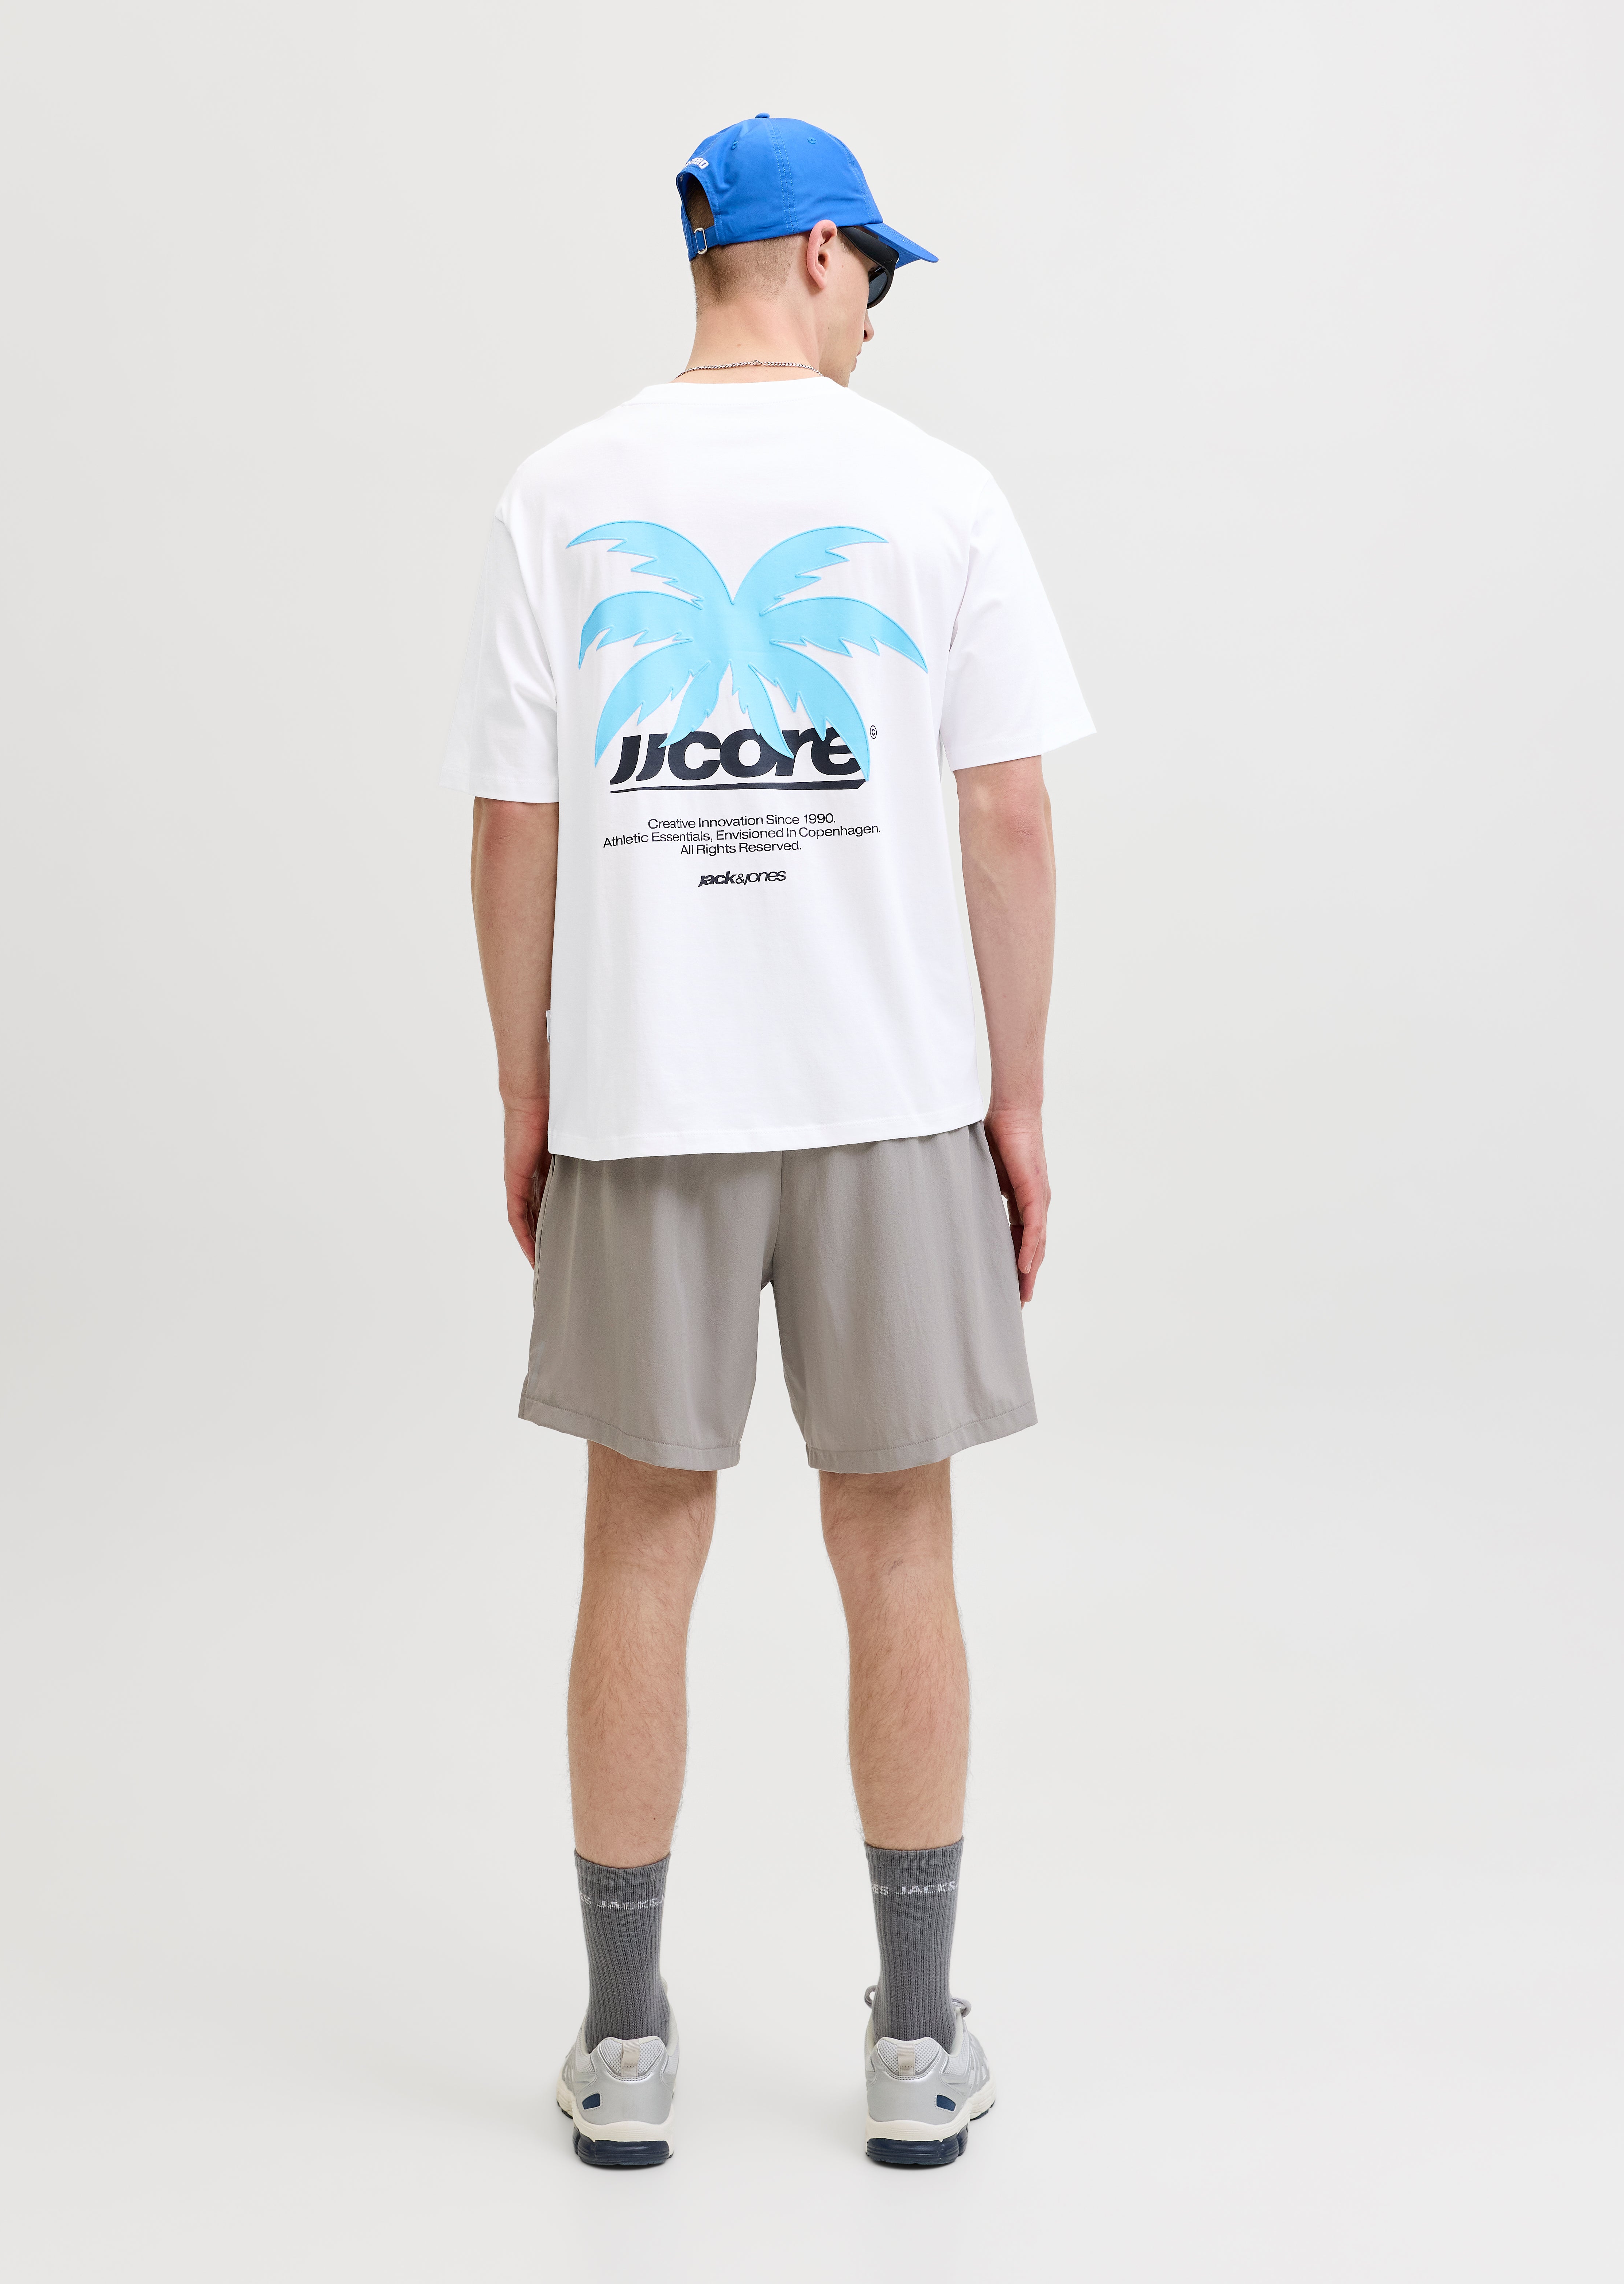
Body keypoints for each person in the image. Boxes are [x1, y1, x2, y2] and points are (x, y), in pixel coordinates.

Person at [442, 112, 1092, 2170]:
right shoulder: (938, 492)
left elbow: (514, 826)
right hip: (892, 1095)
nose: (879, 312)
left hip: (649, 1099)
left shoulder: (560, 491)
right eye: (875, 274)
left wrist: (530, 1090)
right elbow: (1009, 814)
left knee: (639, 1546)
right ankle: (919, 2042)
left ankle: (625, 2044)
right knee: (897, 1547)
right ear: (816, 255)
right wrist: (1018, 1098)